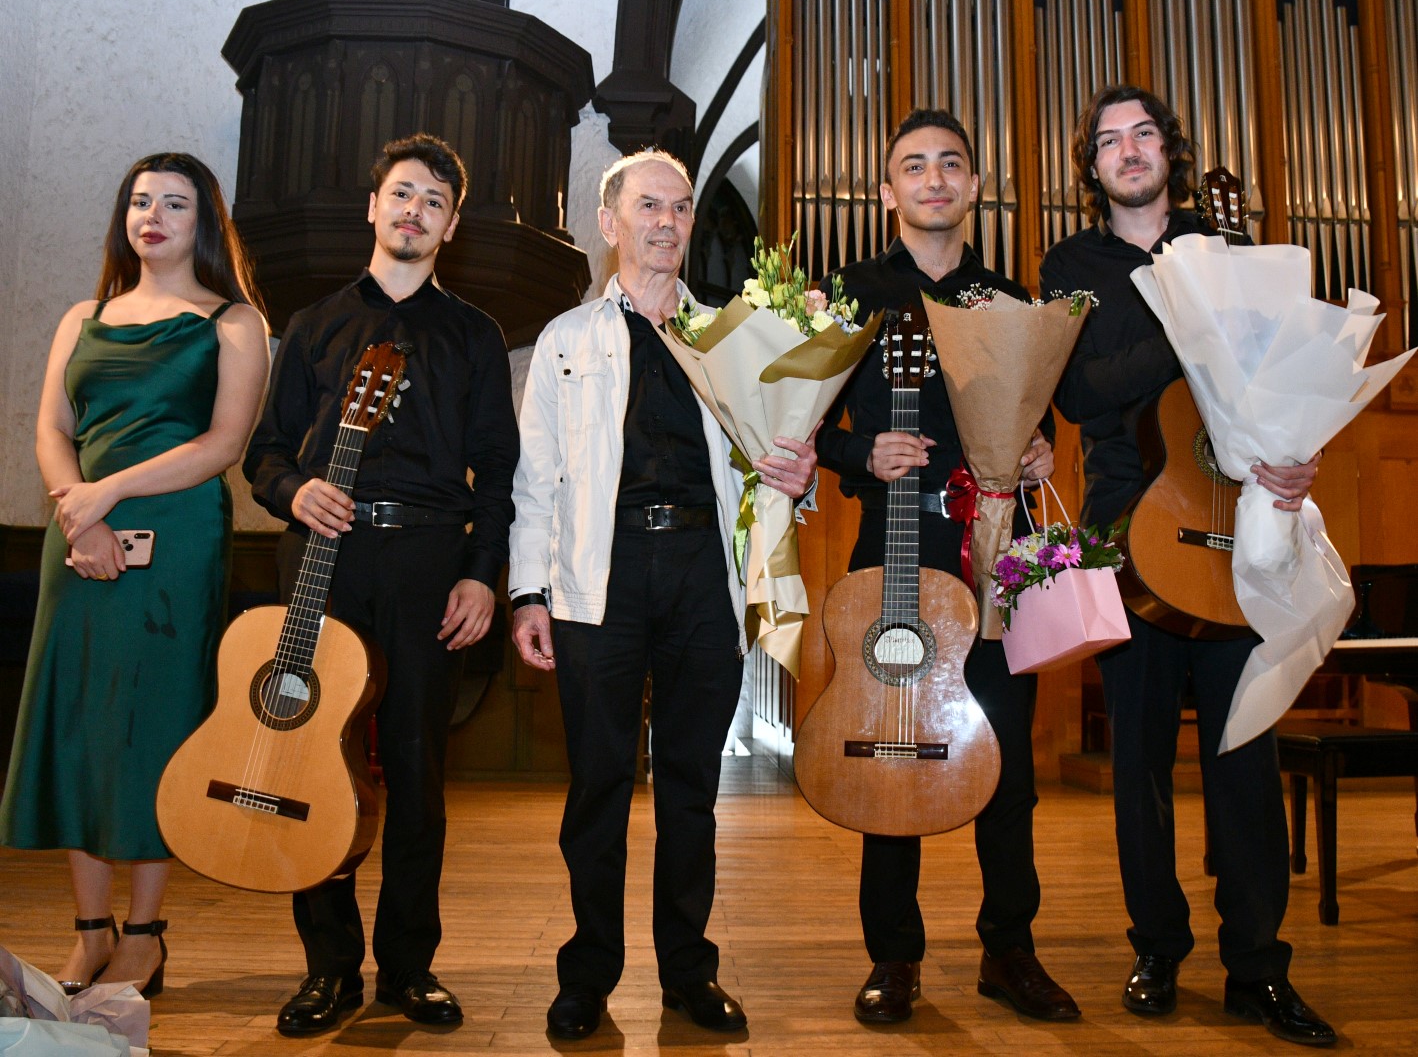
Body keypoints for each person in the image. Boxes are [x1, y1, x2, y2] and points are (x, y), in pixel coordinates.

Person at [1041, 84, 1334, 1047]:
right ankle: (1158, 948)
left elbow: (1286, 377)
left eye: (1144, 135)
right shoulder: (1073, 266)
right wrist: (1184, 327)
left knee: (1245, 756)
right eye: (1109, 141)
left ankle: (1258, 967)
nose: (1129, 151)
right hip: (1128, 530)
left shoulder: (1228, 252)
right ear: (1092, 167)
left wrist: (1299, 450)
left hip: (1231, 524)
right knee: (1138, 763)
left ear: (1170, 150)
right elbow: (1079, 392)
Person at [508, 150, 817, 1041]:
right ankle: (587, 977)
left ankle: (688, 972)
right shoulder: (566, 339)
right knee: (597, 788)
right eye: (649, 206)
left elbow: (768, 464)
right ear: (610, 223)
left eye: (681, 208)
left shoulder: (731, 337)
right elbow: (535, 481)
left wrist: (794, 474)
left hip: (700, 573)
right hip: (596, 579)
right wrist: (528, 592)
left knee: (691, 789)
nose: (668, 223)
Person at [243, 133, 518, 1036]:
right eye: (402, 194)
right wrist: (295, 490)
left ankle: (408, 966)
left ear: (452, 225)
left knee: (416, 768)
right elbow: (264, 452)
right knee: (308, 756)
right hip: (324, 561)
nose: (414, 211)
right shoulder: (314, 323)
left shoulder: (475, 335)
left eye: (434, 201)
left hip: (430, 563)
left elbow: (499, 471)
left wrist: (481, 576)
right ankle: (329, 968)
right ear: (373, 207)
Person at [816, 109, 1079, 1026]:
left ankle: (1010, 948)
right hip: (892, 555)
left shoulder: (1009, 300)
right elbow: (802, 428)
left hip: (991, 552)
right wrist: (862, 453)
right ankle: (893, 957)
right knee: (892, 749)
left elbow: (1035, 414)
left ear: (973, 186)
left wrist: (1040, 450)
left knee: (1006, 757)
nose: (934, 179)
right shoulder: (848, 294)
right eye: (914, 166)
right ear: (887, 190)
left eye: (950, 164)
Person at [0, 153, 270, 998]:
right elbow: (52, 429)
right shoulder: (84, 316)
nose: (152, 215)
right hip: (77, 536)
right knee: (78, 722)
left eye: (175, 203)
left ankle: (146, 935)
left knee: (156, 724)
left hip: (176, 535)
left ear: (205, 222)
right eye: (141, 201)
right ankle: (90, 932)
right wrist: (77, 512)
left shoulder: (234, 321)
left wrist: (105, 494)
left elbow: (223, 444)